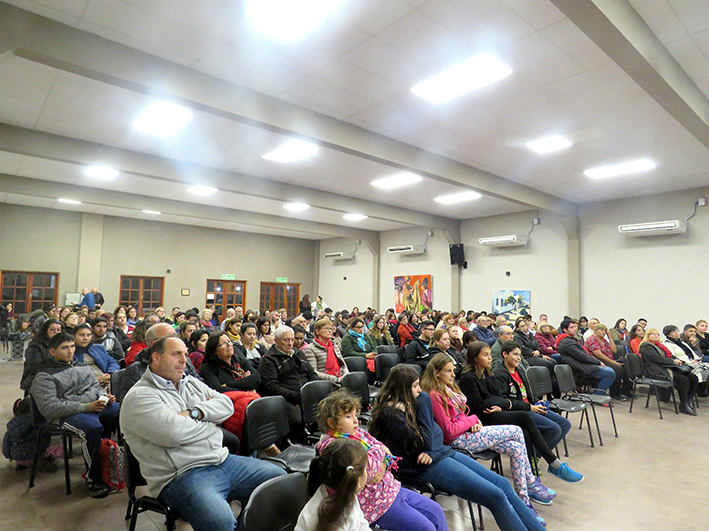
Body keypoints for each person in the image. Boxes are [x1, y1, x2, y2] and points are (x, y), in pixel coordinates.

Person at [120, 336, 285, 531]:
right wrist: (211, 424)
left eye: (185, 354)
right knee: (220, 522)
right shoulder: (140, 397)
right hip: (181, 476)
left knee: (279, 480)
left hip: (221, 460)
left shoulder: (190, 383)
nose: (184, 360)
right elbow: (174, 434)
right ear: (156, 357)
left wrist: (194, 413)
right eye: (176, 354)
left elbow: (226, 404)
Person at [369, 365, 547, 531]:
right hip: (422, 467)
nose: (419, 390)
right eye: (415, 386)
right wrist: (425, 405)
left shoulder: (408, 404)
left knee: (503, 485)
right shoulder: (391, 413)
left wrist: (430, 447)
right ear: (402, 388)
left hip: (439, 453)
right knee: (495, 496)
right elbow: (424, 441)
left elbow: (437, 433)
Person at [421, 354, 555, 520]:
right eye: (448, 371)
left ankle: (523, 501)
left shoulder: (447, 388)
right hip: (458, 441)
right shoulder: (434, 395)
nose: (453, 375)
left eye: (453, 370)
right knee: (516, 430)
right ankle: (531, 482)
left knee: (517, 447)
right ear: (436, 372)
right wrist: (473, 420)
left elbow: (460, 414)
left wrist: (471, 422)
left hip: (467, 433)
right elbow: (448, 431)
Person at [315, 390, 448, 531]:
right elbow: (368, 471)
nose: (356, 420)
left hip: (390, 489)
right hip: (373, 505)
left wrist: (383, 463)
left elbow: (387, 454)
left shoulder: (357, 433)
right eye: (348, 416)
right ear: (332, 422)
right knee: (427, 528)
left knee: (436, 512)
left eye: (355, 414)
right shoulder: (331, 446)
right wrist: (380, 452)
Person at [460, 341, 583, 483]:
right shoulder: (468, 377)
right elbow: (478, 404)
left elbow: (497, 397)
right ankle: (552, 463)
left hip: (496, 410)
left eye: (489, 355)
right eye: (485, 355)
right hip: (482, 417)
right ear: (475, 358)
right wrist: (503, 403)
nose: (490, 358)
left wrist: (501, 403)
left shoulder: (488, 373)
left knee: (526, 431)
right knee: (525, 417)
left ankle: (532, 475)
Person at [31, 332, 120, 498]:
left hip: (91, 406)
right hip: (66, 413)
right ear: (52, 351)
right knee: (92, 428)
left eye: (72, 346)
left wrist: (105, 397)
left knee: (122, 410)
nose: (70, 351)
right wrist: (86, 406)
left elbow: (95, 387)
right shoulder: (44, 375)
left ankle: (117, 463)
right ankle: (92, 477)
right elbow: (50, 408)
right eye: (64, 348)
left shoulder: (81, 366)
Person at [493, 342, 572, 463]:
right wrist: (529, 407)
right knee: (554, 429)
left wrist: (536, 401)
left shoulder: (519, 369)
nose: (518, 358)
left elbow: (527, 391)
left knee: (565, 424)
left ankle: (535, 455)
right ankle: (532, 457)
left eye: (519, 355)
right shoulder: (499, 373)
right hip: (519, 411)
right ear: (504, 354)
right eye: (515, 354)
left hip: (531, 406)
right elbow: (504, 400)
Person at [296, 439, 370, 531]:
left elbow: (361, 524)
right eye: (366, 469)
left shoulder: (344, 493)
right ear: (358, 481)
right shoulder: (332, 523)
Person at [258, 326, 318, 426]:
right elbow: (272, 387)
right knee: (298, 420)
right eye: (286, 340)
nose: (290, 343)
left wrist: (312, 392)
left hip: (306, 396)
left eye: (292, 339)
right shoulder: (269, 360)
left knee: (330, 410)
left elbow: (311, 373)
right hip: (285, 399)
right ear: (276, 341)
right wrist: (298, 397)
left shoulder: (298, 353)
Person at [639, 328, 698, 416]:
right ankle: (683, 405)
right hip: (656, 371)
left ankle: (688, 400)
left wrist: (677, 360)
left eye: (657, 334)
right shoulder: (646, 346)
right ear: (648, 336)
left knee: (693, 378)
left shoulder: (659, 345)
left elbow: (669, 355)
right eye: (653, 334)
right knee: (683, 379)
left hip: (666, 368)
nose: (656, 336)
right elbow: (658, 359)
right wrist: (673, 362)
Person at [556, 319, 615, 394]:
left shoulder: (570, 339)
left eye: (575, 326)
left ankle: (599, 392)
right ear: (565, 329)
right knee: (610, 373)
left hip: (583, 364)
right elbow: (581, 356)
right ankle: (598, 395)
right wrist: (598, 362)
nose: (575, 329)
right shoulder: (566, 342)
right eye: (571, 327)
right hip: (580, 367)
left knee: (610, 370)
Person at [584, 324, 632, 400]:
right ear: (595, 331)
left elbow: (614, 350)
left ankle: (625, 391)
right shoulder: (592, 340)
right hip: (598, 361)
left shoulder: (604, 340)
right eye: (601, 330)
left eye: (604, 331)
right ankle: (615, 394)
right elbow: (599, 355)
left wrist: (610, 337)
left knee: (626, 367)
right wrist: (614, 363)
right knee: (617, 369)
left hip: (608, 360)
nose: (603, 332)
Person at [21, 318, 63, 391]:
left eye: (58, 330)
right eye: (52, 330)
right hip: (36, 381)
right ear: (45, 331)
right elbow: (34, 367)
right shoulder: (35, 346)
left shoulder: (62, 345)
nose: (56, 332)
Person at [305, 318, 349, 383]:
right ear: (317, 331)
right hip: (324, 384)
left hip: (341, 380)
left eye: (331, 329)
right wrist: (336, 379)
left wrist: (346, 376)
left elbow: (343, 365)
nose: (330, 331)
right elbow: (314, 372)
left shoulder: (335, 346)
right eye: (327, 328)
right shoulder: (310, 349)